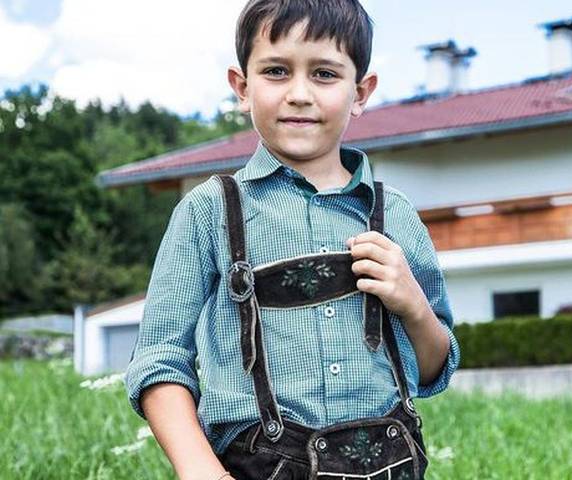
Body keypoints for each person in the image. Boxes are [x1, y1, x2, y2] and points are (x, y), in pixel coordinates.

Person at [123, 1, 461, 479]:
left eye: (324, 74)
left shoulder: (394, 214)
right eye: (277, 71)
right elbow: (160, 358)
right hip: (257, 465)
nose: (299, 94)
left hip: (391, 461)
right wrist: (200, 468)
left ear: (360, 92)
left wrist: (413, 305)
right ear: (242, 87)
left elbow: (432, 371)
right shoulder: (209, 211)